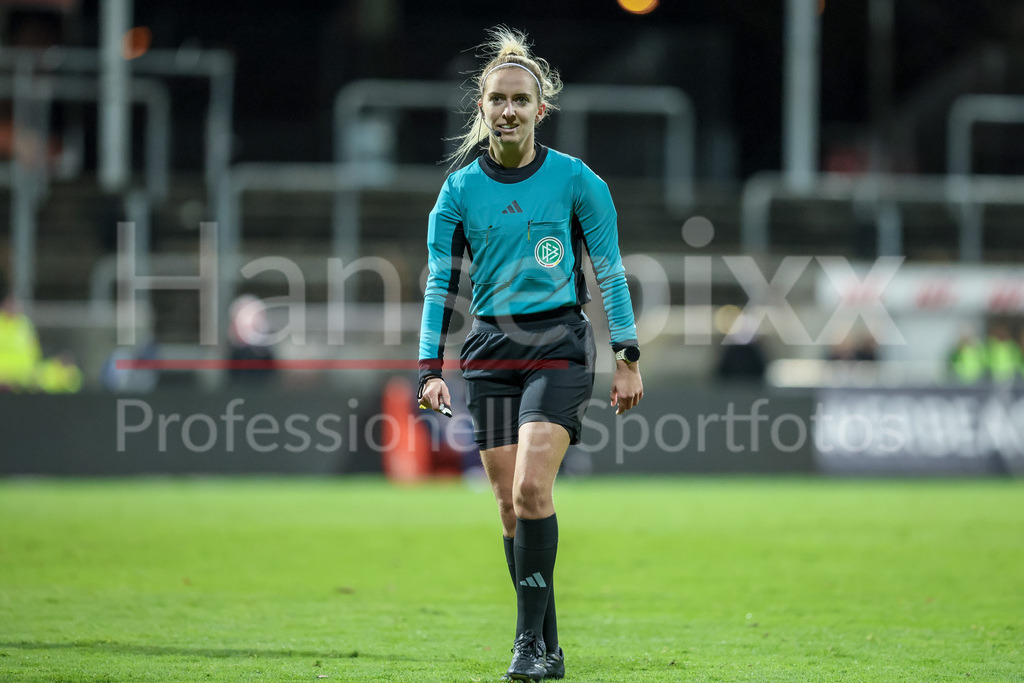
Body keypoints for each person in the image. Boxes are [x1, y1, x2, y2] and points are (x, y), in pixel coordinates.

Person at [416, 27, 643, 681]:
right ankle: (548, 643)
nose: (509, 109)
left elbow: (611, 271)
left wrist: (628, 354)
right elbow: (440, 281)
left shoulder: (576, 182)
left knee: (532, 485)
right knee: (508, 504)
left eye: (521, 99)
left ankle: (524, 645)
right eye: (498, 99)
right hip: (487, 349)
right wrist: (428, 368)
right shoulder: (458, 193)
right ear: (482, 109)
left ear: (540, 109)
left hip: (558, 347)